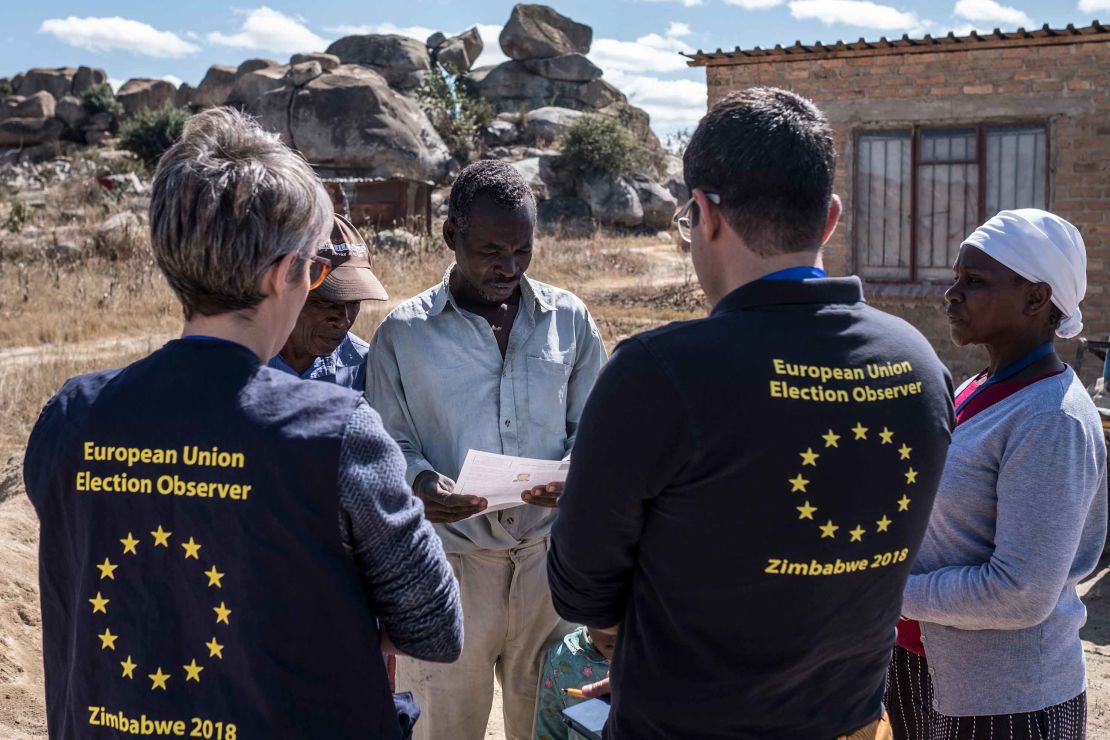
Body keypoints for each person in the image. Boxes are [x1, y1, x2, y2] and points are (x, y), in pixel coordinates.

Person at [22, 107, 461, 739]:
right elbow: (434, 627)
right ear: (285, 274)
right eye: (314, 271)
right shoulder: (339, 433)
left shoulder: (69, 417)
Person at [546, 87, 955, 739]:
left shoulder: (660, 374)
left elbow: (581, 592)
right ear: (830, 218)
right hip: (850, 722)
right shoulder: (919, 365)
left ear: (703, 213)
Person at [366, 159, 607, 740]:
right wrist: (423, 484)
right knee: (444, 725)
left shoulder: (568, 320)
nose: (509, 267)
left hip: (549, 564)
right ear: (451, 238)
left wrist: (575, 472)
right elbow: (386, 442)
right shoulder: (403, 334)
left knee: (551, 723)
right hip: (450, 566)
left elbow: (599, 427)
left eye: (523, 250)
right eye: (492, 250)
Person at [887, 209, 1107, 740]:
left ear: (1036, 298)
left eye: (974, 281)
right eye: (957, 278)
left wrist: (888, 591)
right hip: (929, 669)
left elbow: (1020, 592)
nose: (951, 294)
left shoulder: (1049, 420)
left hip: (1006, 701)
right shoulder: (980, 387)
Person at [269, 212, 388, 391]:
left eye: (354, 303)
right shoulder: (240, 361)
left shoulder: (365, 367)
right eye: (325, 302)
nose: (343, 320)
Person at [533, 625, 613, 740]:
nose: (617, 633)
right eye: (608, 619)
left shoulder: (647, 665)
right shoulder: (563, 660)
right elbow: (550, 728)